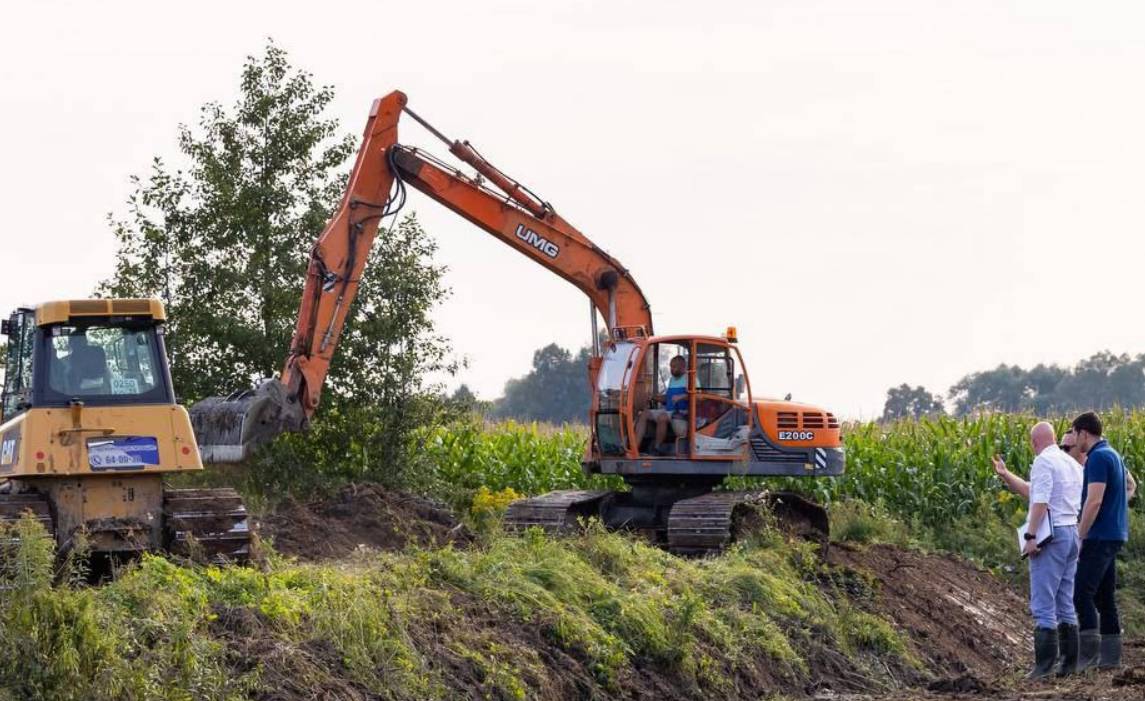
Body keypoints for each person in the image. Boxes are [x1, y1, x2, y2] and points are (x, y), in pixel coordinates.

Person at [992, 421, 1083, 678]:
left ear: (1034, 443)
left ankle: (1043, 667)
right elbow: (1032, 491)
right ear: (1054, 438)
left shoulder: (1043, 462)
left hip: (1051, 536)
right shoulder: (1071, 463)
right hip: (1071, 533)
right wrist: (1006, 474)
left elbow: (1040, 501)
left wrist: (1031, 535)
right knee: (1065, 600)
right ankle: (1068, 665)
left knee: (1043, 602)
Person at [1071, 411, 1130, 671]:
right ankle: (1110, 658)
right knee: (1105, 597)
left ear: (1084, 432)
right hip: (1114, 534)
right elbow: (1130, 486)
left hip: (1099, 535)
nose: (1073, 439)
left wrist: (1080, 535)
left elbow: (1093, 501)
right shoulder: (1113, 454)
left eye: (1074, 433)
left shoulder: (1097, 458)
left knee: (1081, 593)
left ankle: (1088, 657)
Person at [633, 355, 688, 455]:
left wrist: (681, 397)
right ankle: (635, 448)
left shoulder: (689, 379)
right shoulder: (672, 380)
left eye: (674, 367)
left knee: (662, 417)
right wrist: (654, 397)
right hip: (668, 410)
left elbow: (697, 396)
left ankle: (656, 448)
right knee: (644, 414)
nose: (672, 369)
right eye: (671, 367)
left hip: (681, 413)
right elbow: (668, 398)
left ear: (683, 366)